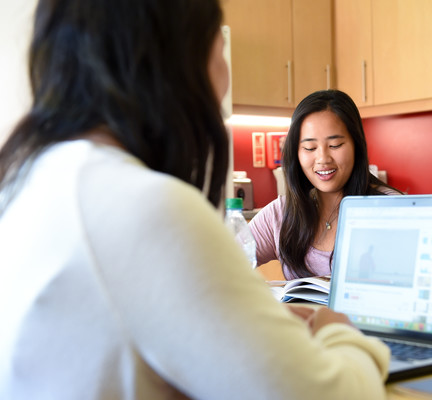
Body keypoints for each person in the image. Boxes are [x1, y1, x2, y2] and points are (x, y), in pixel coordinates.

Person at [0, 1, 390, 398]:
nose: (224, 76)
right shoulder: (149, 208)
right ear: (176, 64)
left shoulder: (30, 181)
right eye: (218, 49)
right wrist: (337, 330)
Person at [249, 89, 400, 279]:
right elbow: (220, 262)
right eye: (309, 148)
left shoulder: (392, 209)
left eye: (335, 145)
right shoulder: (282, 213)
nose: (322, 159)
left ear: (356, 145)